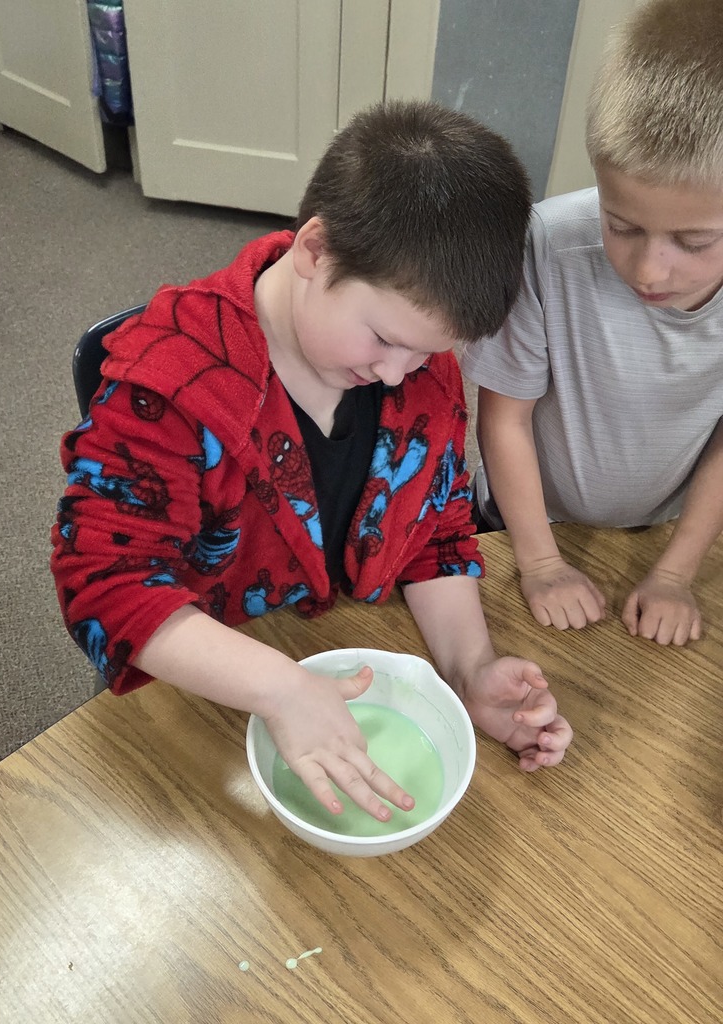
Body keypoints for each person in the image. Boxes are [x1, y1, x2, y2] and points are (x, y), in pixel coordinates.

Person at [51, 99, 572, 827]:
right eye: (385, 339)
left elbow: (436, 533)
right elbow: (105, 584)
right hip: (207, 686)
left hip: (325, 652)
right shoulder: (169, 381)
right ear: (316, 249)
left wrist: (470, 669)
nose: (401, 375)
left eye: (428, 351)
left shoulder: (418, 370)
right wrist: (279, 688)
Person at [460, 0, 723, 648]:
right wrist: (541, 562)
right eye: (622, 225)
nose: (649, 269)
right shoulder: (548, 243)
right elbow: (504, 419)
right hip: (520, 521)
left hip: (660, 527)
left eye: (694, 242)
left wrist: (676, 571)